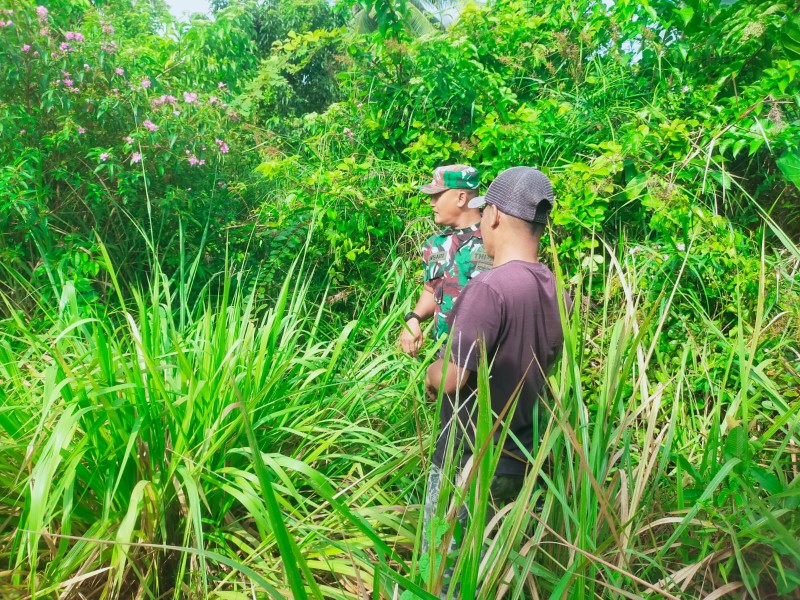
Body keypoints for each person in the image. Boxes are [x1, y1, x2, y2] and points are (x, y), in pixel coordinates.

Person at [422, 167, 567, 592]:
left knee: (442, 574)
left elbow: (452, 378)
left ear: (497, 216)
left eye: (485, 215)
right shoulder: (557, 288)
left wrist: (431, 374)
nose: (482, 223)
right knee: (491, 577)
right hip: (521, 461)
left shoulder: (489, 288)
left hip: (467, 460)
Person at [399, 165, 493, 357]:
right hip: (444, 358)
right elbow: (431, 291)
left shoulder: (495, 240)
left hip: (487, 358)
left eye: (437, 195)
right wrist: (414, 318)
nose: (431, 203)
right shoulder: (434, 245)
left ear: (461, 198)